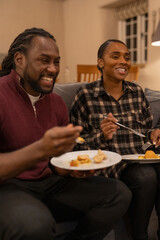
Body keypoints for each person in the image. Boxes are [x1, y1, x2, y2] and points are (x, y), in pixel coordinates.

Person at [0, 29, 132, 240]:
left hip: (49, 183)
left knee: (119, 194)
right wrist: (39, 150)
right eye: (44, 60)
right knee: (33, 224)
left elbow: (57, 161)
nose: (52, 69)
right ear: (19, 60)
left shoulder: (57, 103)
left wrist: (70, 171)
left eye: (57, 62)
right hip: (8, 187)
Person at [70, 39, 160, 240]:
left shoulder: (136, 92)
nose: (124, 61)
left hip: (137, 162)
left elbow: (145, 133)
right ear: (100, 62)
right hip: (108, 166)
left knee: (149, 173)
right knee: (146, 176)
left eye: (127, 57)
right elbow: (75, 144)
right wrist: (100, 135)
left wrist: (153, 135)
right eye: (115, 56)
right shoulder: (85, 95)